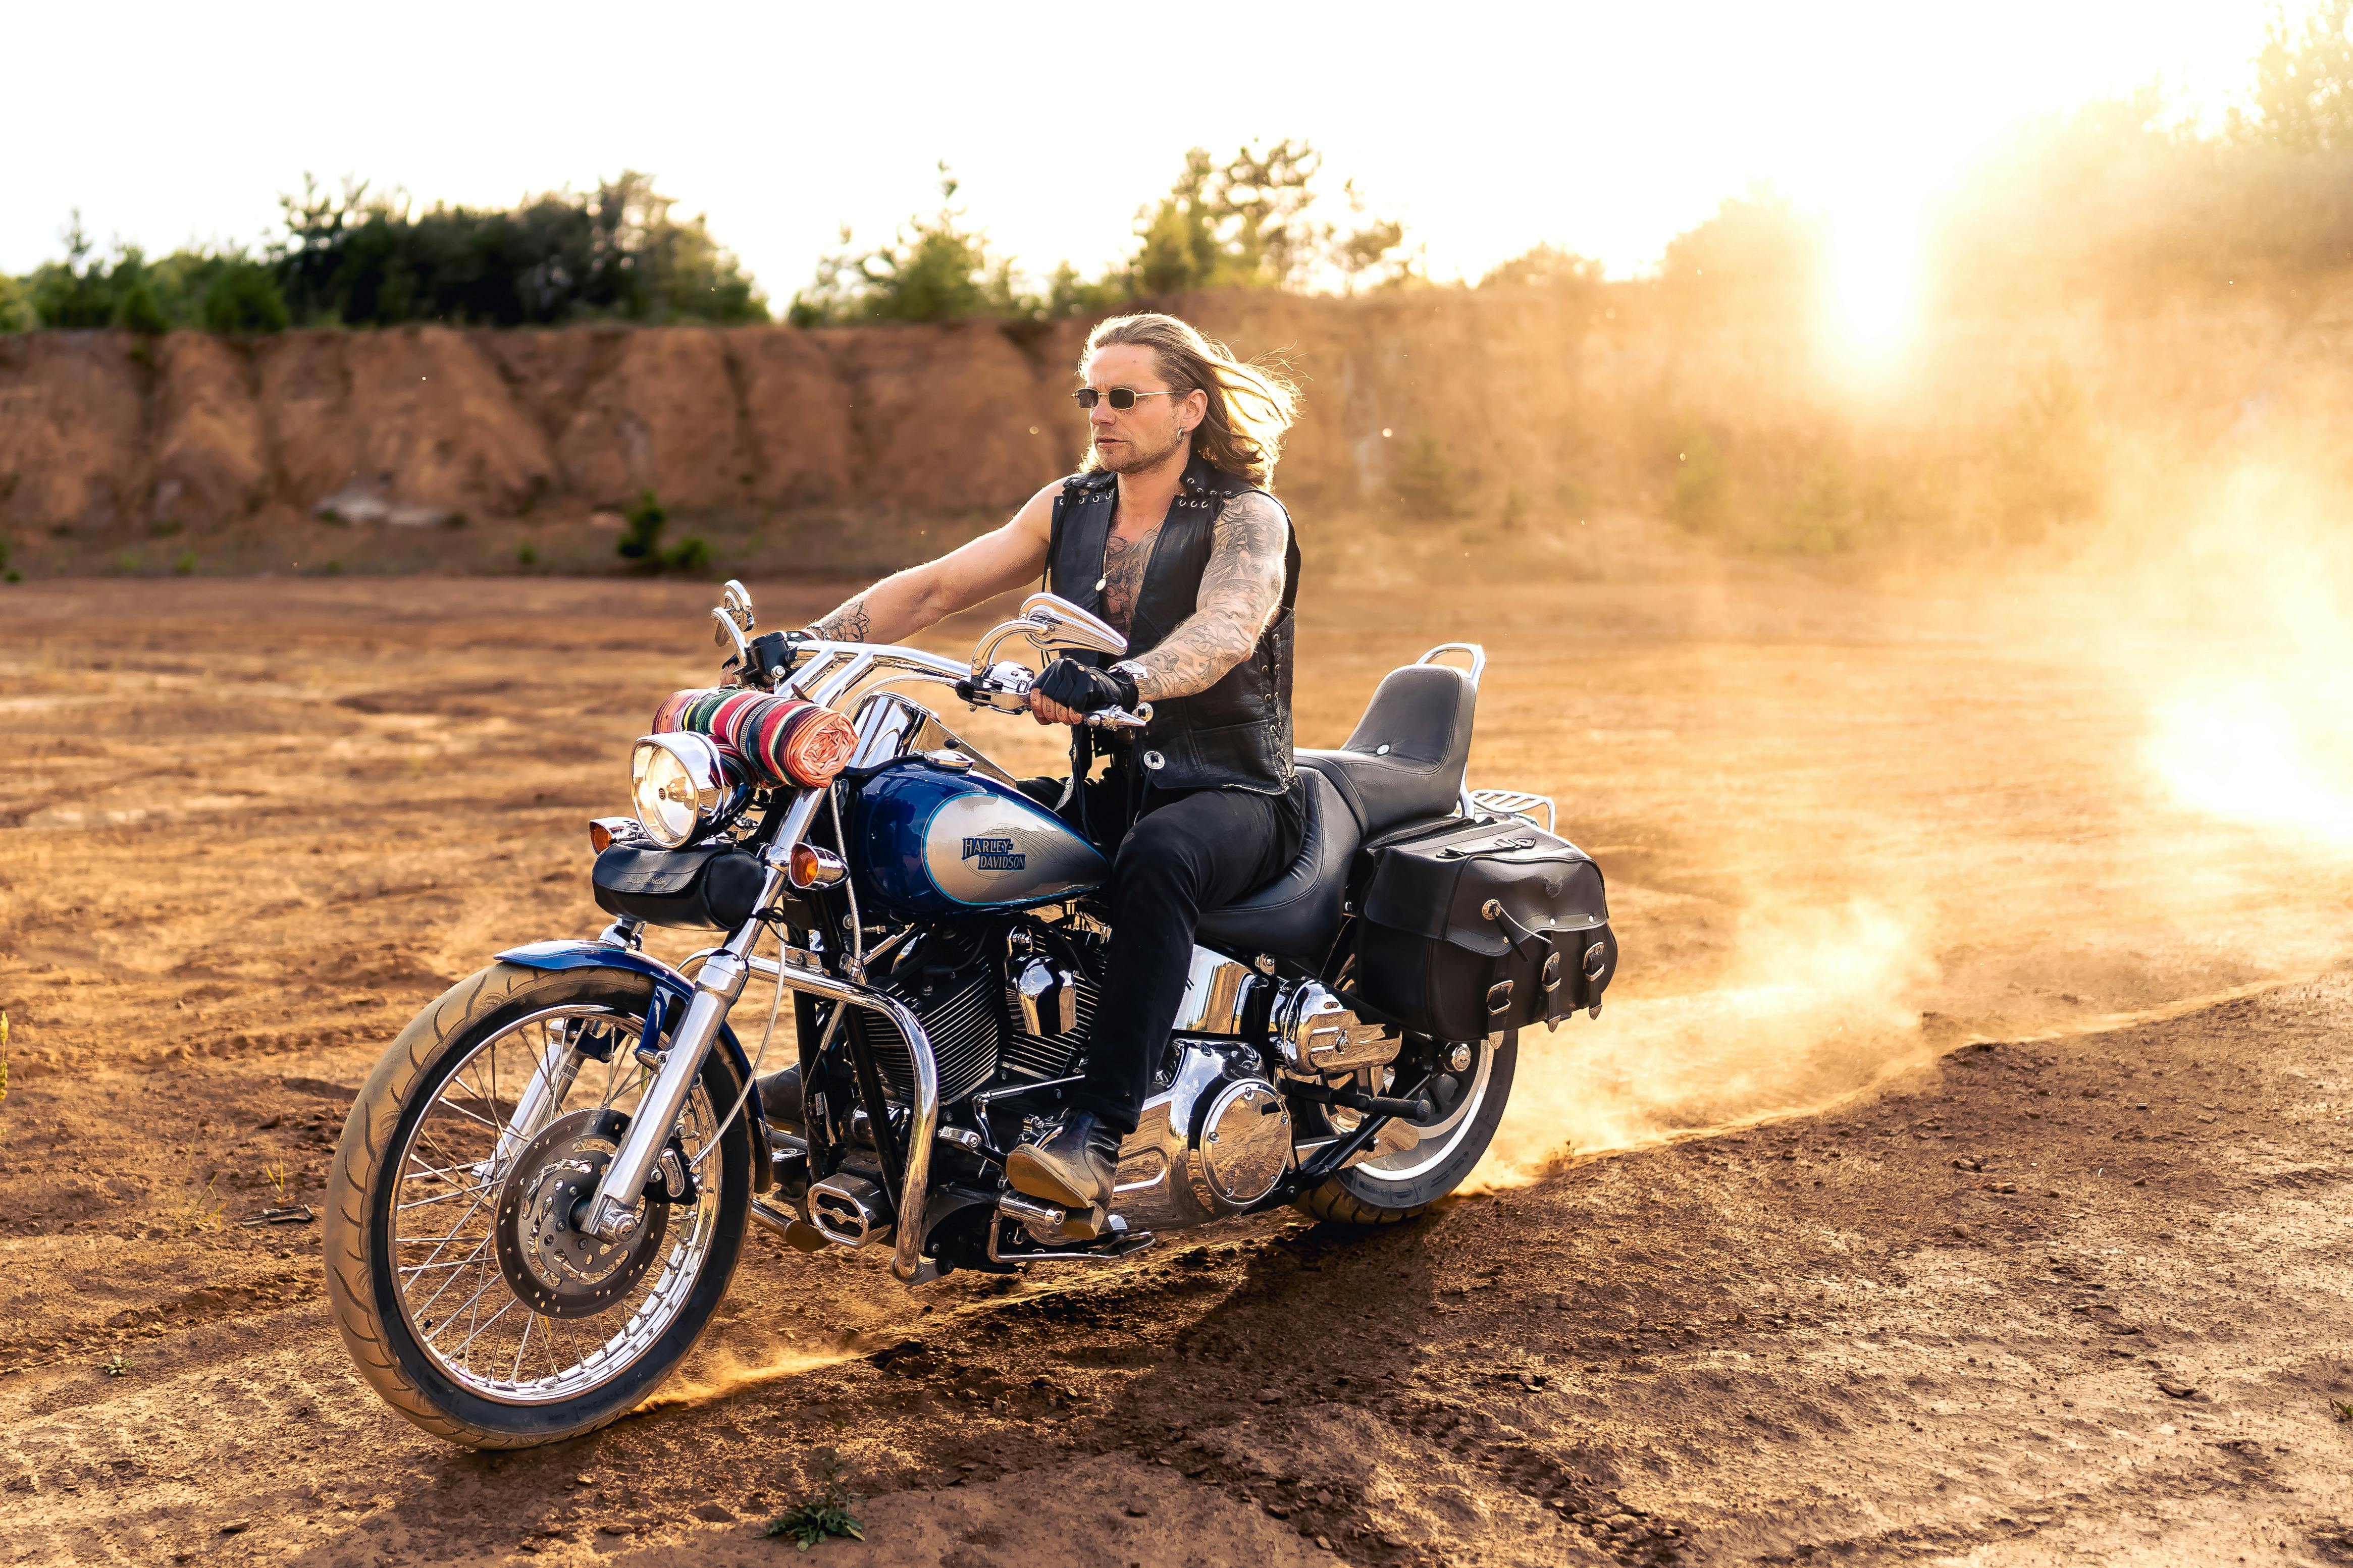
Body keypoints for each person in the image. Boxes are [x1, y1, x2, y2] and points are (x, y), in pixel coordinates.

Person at [762, 312, 1304, 1216]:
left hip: (1230, 790)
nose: (1100, 412)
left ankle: (1096, 1127)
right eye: (1089, 394)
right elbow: (937, 586)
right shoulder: (1071, 505)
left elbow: (1227, 630)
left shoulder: (1245, 516)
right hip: (1110, 788)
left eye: (1124, 396)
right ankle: (866, 1072)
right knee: (940, 832)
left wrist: (1120, 681)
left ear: (1189, 410)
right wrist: (810, 648)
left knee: (1159, 860)